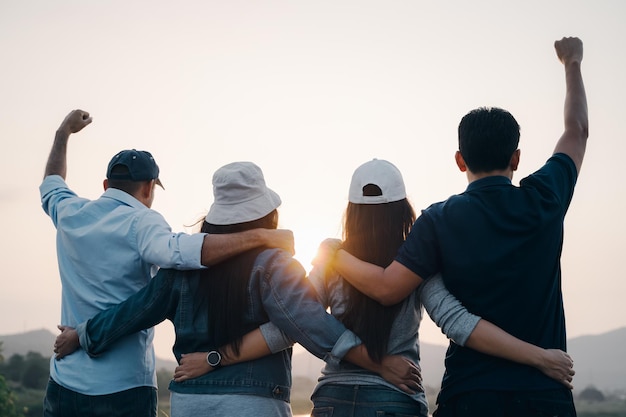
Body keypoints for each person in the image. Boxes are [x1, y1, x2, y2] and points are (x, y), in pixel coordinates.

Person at [317, 36, 587, 416]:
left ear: (460, 160)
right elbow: (576, 130)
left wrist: (331, 254)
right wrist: (572, 63)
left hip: (469, 395)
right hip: (544, 395)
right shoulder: (545, 197)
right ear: (517, 158)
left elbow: (387, 288)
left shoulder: (439, 219)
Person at [52, 161, 421, 417]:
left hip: (189, 402)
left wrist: (83, 334)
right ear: (266, 214)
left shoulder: (180, 270)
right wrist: (380, 364)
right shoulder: (274, 266)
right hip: (253, 400)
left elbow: (131, 313)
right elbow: (310, 325)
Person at [40, 111, 295, 417]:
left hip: (63, 381)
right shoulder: (143, 221)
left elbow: (52, 181)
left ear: (106, 183)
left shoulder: (69, 212)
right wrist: (260, 236)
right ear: (149, 188)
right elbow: (180, 252)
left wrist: (63, 132)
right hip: (122, 387)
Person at [308, 159, 576, 417]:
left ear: (351, 212)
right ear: (403, 210)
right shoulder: (415, 264)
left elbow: (304, 318)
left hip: (331, 399)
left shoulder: (330, 260)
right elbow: (458, 322)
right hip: (394, 399)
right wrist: (539, 356)